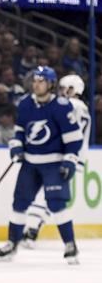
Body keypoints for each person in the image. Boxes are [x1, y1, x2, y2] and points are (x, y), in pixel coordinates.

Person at [0, 66, 83, 264]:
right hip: (30, 163)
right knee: (19, 203)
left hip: (54, 163)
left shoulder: (61, 106)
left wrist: (70, 159)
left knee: (56, 204)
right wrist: (16, 146)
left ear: (50, 84)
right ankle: (12, 244)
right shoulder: (26, 103)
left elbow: (74, 139)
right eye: (35, 81)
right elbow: (19, 131)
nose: (36, 84)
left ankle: (70, 245)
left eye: (41, 81)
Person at [21, 73, 91, 248]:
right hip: (74, 156)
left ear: (74, 89)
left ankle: (31, 230)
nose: (61, 91)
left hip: (64, 156)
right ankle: (33, 229)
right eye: (61, 88)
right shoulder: (81, 107)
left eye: (65, 88)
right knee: (50, 195)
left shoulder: (70, 105)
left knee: (46, 193)